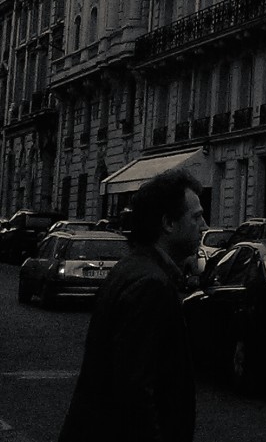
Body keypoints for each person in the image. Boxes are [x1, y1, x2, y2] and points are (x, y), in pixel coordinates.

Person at [60, 168, 206, 442]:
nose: (205, 225)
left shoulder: (133, 268)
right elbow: (135, 390)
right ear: (168, 223)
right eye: (196, 217)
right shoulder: (152, 285)